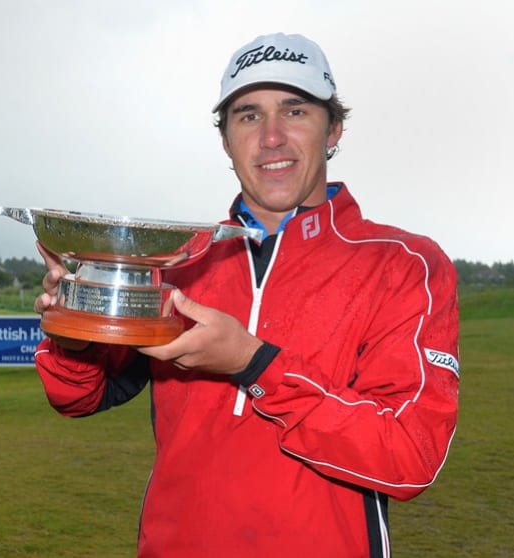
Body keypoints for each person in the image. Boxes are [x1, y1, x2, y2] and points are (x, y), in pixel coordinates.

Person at [32, 32, 459, 558]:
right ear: (226, 140)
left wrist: (253, 364)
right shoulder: (181, 259)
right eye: (248, 115)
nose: (272, 137)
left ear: (333, 129)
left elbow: (411, 455)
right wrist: (74, 331)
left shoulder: (403, 265)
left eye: (295, 111)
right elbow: (78, 397)